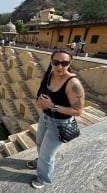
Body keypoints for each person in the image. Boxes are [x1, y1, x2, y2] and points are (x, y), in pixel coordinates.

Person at [26, 48, 85, 189]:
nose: (60, 66)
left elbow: (78, 111)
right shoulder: (48, 76)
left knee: (47, 155)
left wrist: (52, 106)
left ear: (70, 63)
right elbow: (39, 95)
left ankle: (43, 178)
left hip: (60, 123)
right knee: (39, 144)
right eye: (56, 62)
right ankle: (40, 161)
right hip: (45, 118)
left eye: (64, 63)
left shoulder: (73, 84)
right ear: (51, 62)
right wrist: (39, 102)